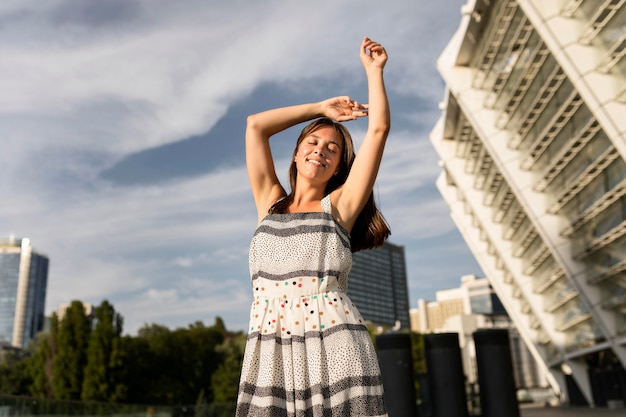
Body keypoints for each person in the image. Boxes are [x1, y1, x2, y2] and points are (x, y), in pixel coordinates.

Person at [236, 37, 391, 417]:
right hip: (270, 344)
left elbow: (378, 131)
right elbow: (255, 126)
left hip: (334, 341)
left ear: (338, 166)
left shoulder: (340, 207)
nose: (320, 150)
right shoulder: (269, 201)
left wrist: (374, 72)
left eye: (332, 148)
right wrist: (320, 109)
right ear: (297, 151)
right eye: (313, 141)